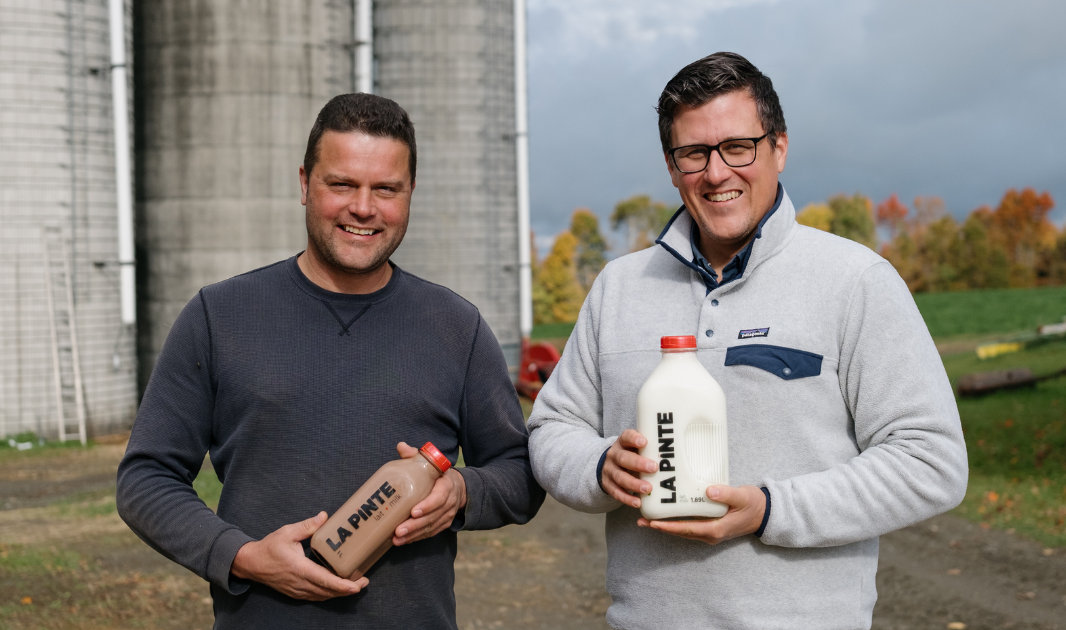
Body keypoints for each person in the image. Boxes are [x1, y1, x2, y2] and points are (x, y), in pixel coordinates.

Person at [527, 52, 967, 629]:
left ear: (779, 148)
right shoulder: (619, 287)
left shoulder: (855, 281)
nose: (716, 173)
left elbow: (930, 462)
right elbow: (552, 429)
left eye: (738, 147)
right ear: (671, 166)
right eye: (694, 153)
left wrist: (769, 509)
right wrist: (600, 466)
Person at [117, 93, 544, 629]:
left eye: (385, 189)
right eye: (341, 184)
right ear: (305, 184)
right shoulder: (219, 315)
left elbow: (521, 472)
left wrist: (462, 491)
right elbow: (146, 478)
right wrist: (241, 557)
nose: (363, 208)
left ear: (410, 193)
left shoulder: (456, 326)